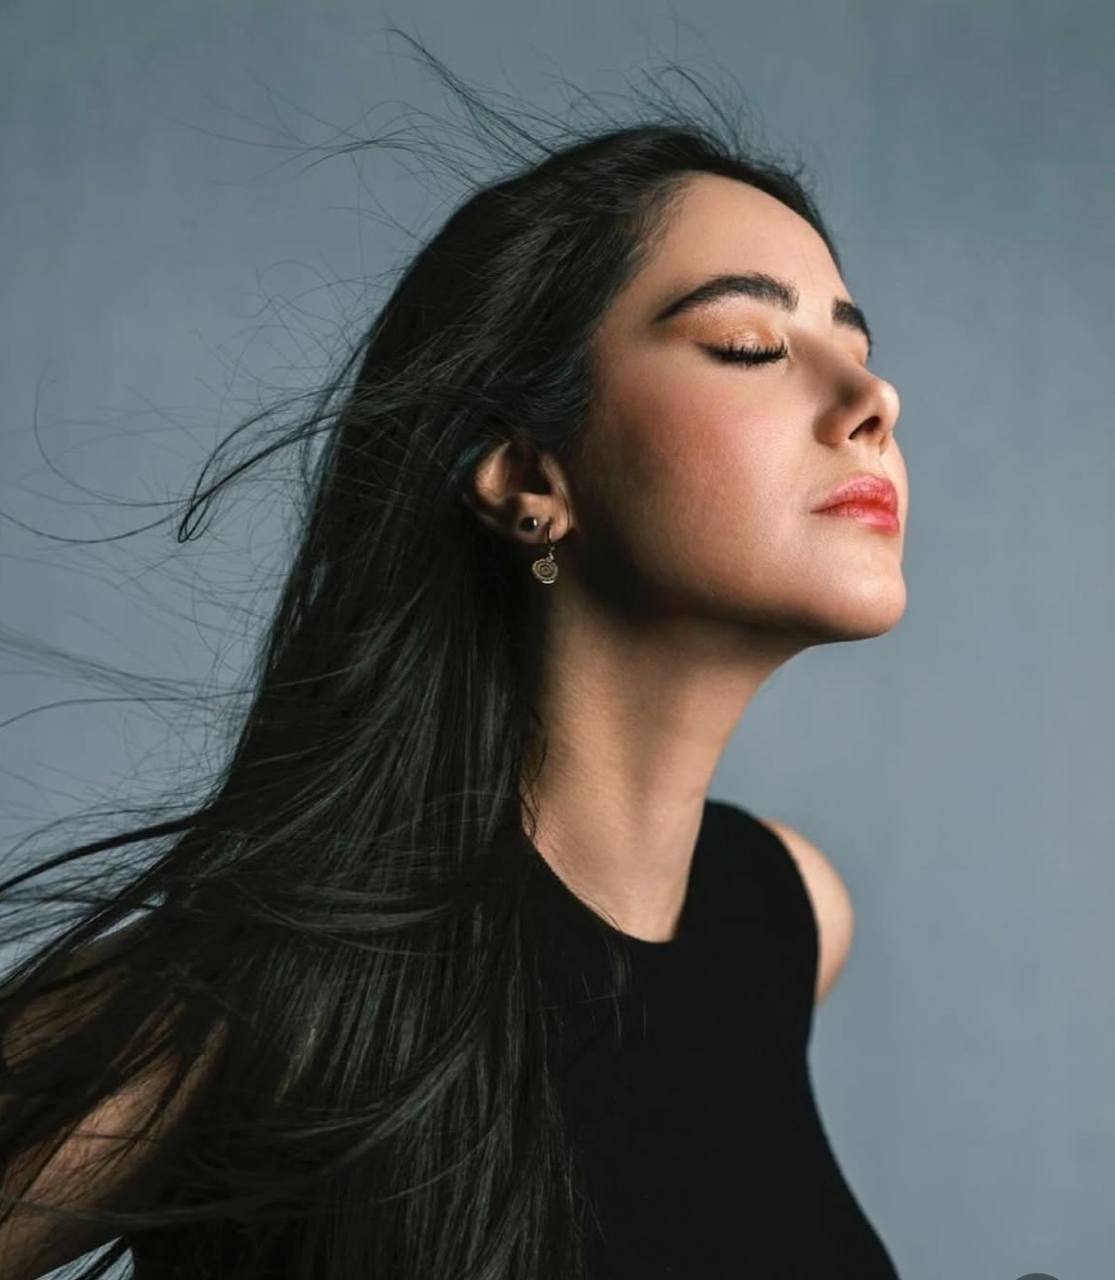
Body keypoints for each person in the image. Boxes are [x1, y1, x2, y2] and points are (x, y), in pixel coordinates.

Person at [0, 37, 906, 1280]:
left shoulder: (790, 914)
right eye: (750, 343)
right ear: (532, 477)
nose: (870, 397)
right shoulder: (265, 988)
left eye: (857, 343)